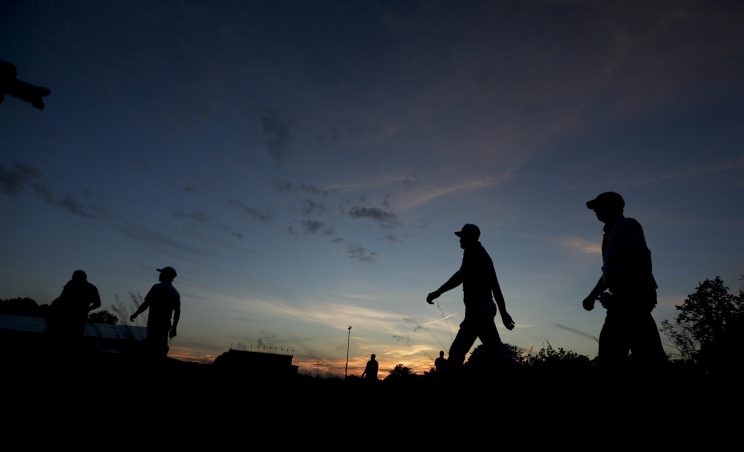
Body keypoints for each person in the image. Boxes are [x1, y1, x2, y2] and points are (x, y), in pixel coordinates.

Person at [581, 192, 666, 373]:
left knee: (616, 358)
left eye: (599, 206)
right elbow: (609, 273)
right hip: (624, 303)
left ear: (612, 206)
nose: (595, 211)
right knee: (647, 356)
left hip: (630, 303)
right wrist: (592, 296)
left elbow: (641, 261)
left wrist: (629, 296)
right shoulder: (611, 233)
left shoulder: (627, 226)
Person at [426, 224, 515, 369]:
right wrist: (503, 312)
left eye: (462, 237)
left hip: (478, 309)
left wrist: (438, 292)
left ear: (471, 238)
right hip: (483, 308)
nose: (460, 240)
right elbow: (495, 286)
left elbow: (460, 276)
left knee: (457, 351)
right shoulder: (479, 253)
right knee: (494, 349)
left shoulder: (473, 253)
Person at [130, 266, 181, 358]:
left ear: (165, 275)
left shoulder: (157, 287)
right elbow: (177, 312)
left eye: (161, 273)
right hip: (166, 323)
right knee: (160, 343)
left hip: (155, 321)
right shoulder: (175, 293)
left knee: (152, 343)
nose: (160, 275)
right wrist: (174, 327)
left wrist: (136, 314)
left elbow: (146, 303)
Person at [45, 269, 101, 343]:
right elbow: (61, 298)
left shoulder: (91, 288)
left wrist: (87, 309)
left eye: (76, 278)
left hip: (78, 319)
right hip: (64, 317)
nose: (74, 280)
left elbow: (98, 303)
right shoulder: (71, 284)